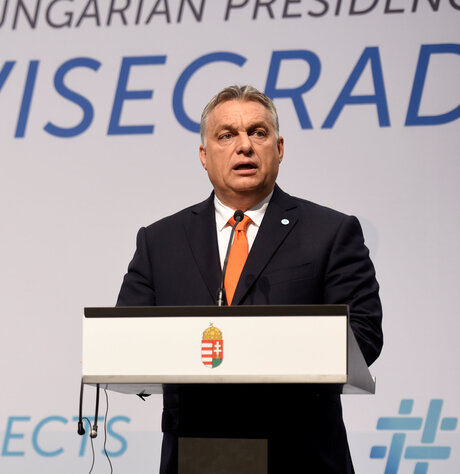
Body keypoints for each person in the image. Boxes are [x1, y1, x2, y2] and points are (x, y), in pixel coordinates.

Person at [116, 85, 382, 473]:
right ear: (204, 156)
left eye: (258, 132)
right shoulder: (160, 241)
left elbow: (363, 334)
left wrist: (268, 349)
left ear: (279, 148)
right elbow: (126, 339)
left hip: (299, 452)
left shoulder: (330, 232)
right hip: (199, 453)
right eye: (227, 135)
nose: (244, 146)